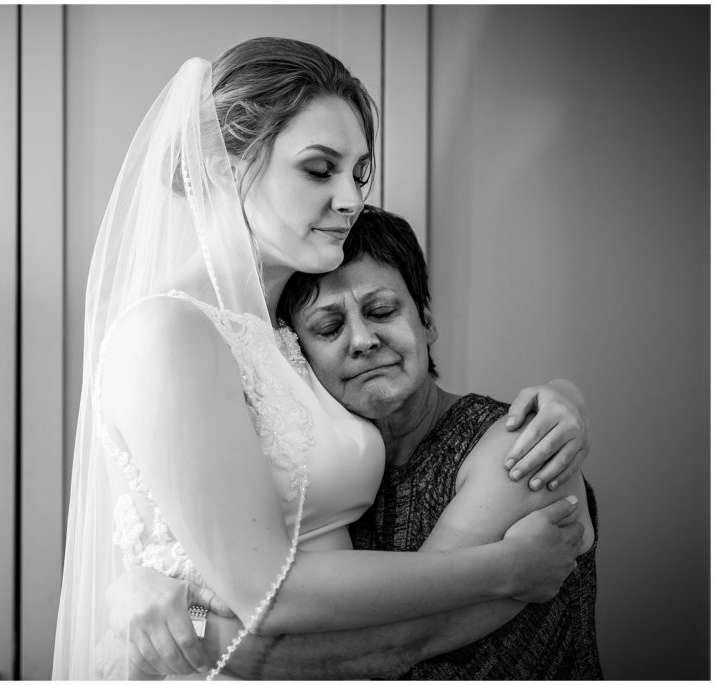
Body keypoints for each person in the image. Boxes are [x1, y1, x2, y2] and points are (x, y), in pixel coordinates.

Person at [52, 37, 590, 680]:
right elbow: (259, 592)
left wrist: (565, 397)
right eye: (318, 168)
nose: (349, 197)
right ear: (226, 169)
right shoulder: (169, 331)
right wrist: (505, 568)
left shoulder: (283, 338)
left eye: (359, 172)